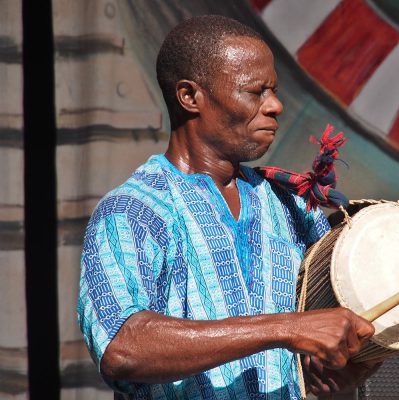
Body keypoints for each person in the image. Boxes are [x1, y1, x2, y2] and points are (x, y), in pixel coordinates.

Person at [78, 15, 381, 399]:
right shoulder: (133, 211)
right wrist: (287, 328)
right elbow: (121, 347)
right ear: (190, 97)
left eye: (273, 90)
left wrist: (335, 374)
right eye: (256, 92)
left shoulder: (291, 207)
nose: (276, 105)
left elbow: (315, 352)